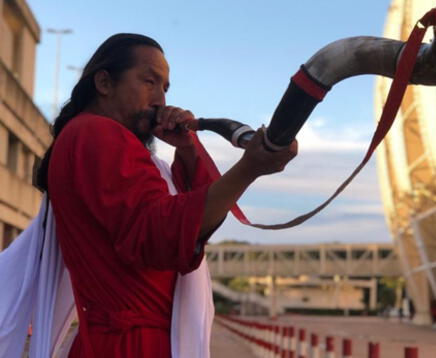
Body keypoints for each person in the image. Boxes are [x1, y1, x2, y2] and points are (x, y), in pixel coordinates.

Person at [35, 33, 297, 357]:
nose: (160, 99)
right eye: (149, 81)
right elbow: (161, 234)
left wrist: (188, 150)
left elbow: (191, 221)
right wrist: (248, 169)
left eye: (165, 88)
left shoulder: (87, 135)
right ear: (104, 83)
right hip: (131, 346)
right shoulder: (97, 132)